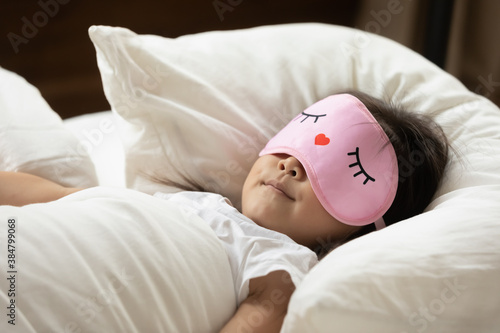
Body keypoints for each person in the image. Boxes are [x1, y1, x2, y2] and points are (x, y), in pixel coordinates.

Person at [0, 92, 449, 332]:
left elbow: (260, 319)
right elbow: (53, 196)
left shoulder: (283, 263)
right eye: (304, 135)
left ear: (361, 228)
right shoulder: (187, 203)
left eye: (345, 169)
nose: (293, 164)